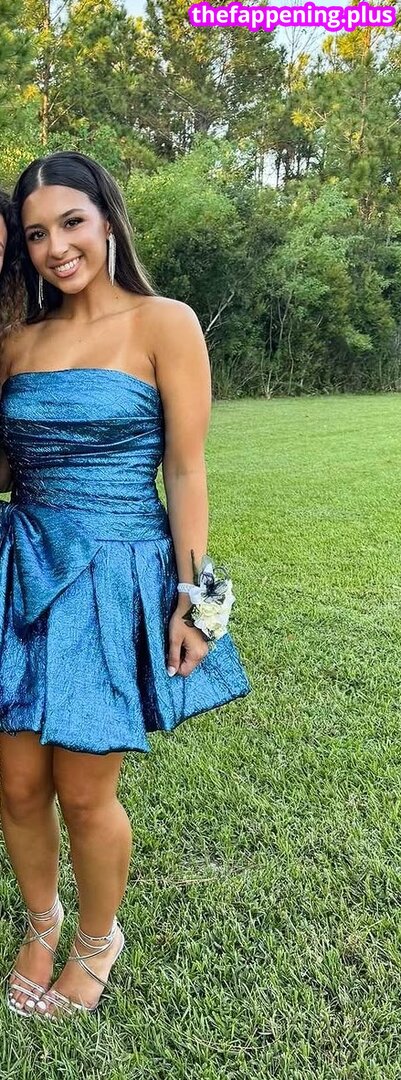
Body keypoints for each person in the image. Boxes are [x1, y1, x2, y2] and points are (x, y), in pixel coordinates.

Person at [0, 151, 251, 1020]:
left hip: (114, 577)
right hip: (22, 572)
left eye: (71, 222)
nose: (56, 247)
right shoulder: (16, 343)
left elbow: (185, 470)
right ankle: (42, 923)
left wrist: (197, 598)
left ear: (107, 218)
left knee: (83, 790)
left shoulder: (163, 322)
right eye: (36, 234)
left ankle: (97, 940)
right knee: (16, 785)